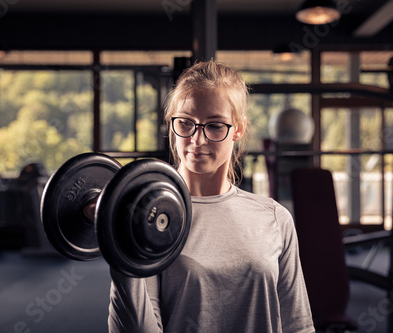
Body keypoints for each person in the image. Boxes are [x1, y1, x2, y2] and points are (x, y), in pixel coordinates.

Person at [107, 60, 315, 333]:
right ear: (172, 123)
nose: (197, 140)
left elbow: (298, 326)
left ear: (238, 129)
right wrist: (120, 247)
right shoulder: (146, 220)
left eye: (215, 126)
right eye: (186, 123)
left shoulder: (275, 218)